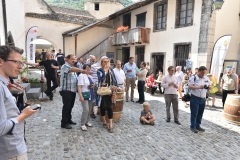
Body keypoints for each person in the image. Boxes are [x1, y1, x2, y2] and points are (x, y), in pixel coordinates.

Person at [0, 45, 37, 160]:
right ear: (1, 61)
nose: (20, 67)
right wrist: (22, 116)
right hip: (10, 151)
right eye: (16, 62)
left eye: (21, 63)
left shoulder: (4, 83)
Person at [60, 54, 86, 129]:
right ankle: (64, 123)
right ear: (67, 59)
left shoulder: (72, 67)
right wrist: (81, 70)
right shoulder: (65, 66)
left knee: (70, 106)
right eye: (72, 59)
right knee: (66, 107)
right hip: (66, 90)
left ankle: (68, 120)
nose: (73, 60)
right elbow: (71, 70)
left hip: (72, 90)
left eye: (74, 59)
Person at [97, 56, 119, 133]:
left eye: (107, 61)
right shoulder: (99, 71)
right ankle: (104, 122)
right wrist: (105, 71)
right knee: (102, 108)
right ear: (102, 62)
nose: (106, 63)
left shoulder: (111, 70)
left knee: (110, 108)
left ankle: (111, 125)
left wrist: (116, 87)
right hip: (103, 92)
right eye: (104, 61)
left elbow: (114, 80)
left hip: (110, 91)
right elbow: (100, 80)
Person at [188, 66, 211, 133]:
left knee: (200, 113)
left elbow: (210, 85)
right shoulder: (193, 77)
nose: (204, 74)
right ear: (199, 71)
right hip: (195, 98)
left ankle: (198, 125)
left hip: (203, 99)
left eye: (205, 73)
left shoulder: (206, 78)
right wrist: (198, 87)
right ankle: (192, 126)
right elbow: (189, 86)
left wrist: (209, 87)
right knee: (194, 113)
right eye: (202, 72)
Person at [78, 64, 95, 131]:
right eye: (86, 68)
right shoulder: (81, 76)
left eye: (89, 68)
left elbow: (93, 84)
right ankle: (82, 124)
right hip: (85, 94)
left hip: (91, 94)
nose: (88, 69)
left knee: (90, 109)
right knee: (86, 110)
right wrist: (80, 96)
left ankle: (87, 121)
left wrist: (93, 85)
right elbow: (79, 87)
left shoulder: (90, 76)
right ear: (84, 69)